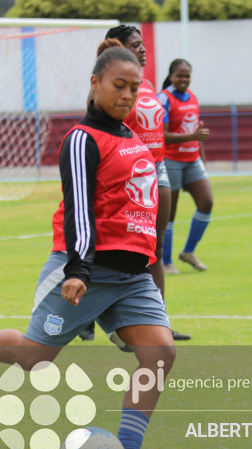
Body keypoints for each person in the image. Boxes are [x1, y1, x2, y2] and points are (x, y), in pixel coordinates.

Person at [0, 47, 177, 449]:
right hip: (87, 267)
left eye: (134, 87)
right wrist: (79, 270)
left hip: (131, 274)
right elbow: (80, 207)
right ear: (95, 83)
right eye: (118, 85)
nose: (127, 94)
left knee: (159, 352)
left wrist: (148, 258)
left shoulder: (132, 137)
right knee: (33, 357)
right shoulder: (83, 138)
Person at [79, 26, 191, 343]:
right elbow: (97, 127)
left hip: (158, 167)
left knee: (153, 249)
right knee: (114, 249)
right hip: (128, 171)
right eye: (134, 45)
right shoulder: (107, 93)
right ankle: (91, 315)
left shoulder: (148, 85)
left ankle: (160, 322)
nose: (141, 49)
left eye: (142, 45)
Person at [159, 59, 212, 272]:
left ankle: (188, 251)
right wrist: (191, 136)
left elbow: (196, 129)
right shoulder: (164, 98)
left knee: (206, 202)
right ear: (171, 76)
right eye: (180, 75)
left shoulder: (193, 98)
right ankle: (166, 262)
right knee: (169, 213)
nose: (184, 80)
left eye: (187, 76)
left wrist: (202, 155)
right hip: (171, 160)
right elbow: (160, 135)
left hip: (192, 160)